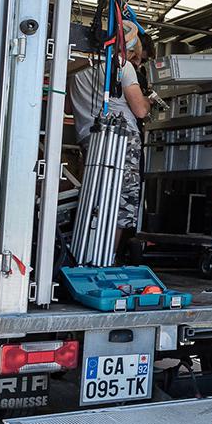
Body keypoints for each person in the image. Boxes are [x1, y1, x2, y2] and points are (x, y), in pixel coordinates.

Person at [68, 21, 151, 255]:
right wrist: (149, 100)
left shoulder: (75, 67)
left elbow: (67, 105)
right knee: (121, 201)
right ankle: (105, 258)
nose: (137, 62)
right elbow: (140, 110)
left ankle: (82, 255)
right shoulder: (121, 65)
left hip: (88, 138)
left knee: (96, 196)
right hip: (121, 138)